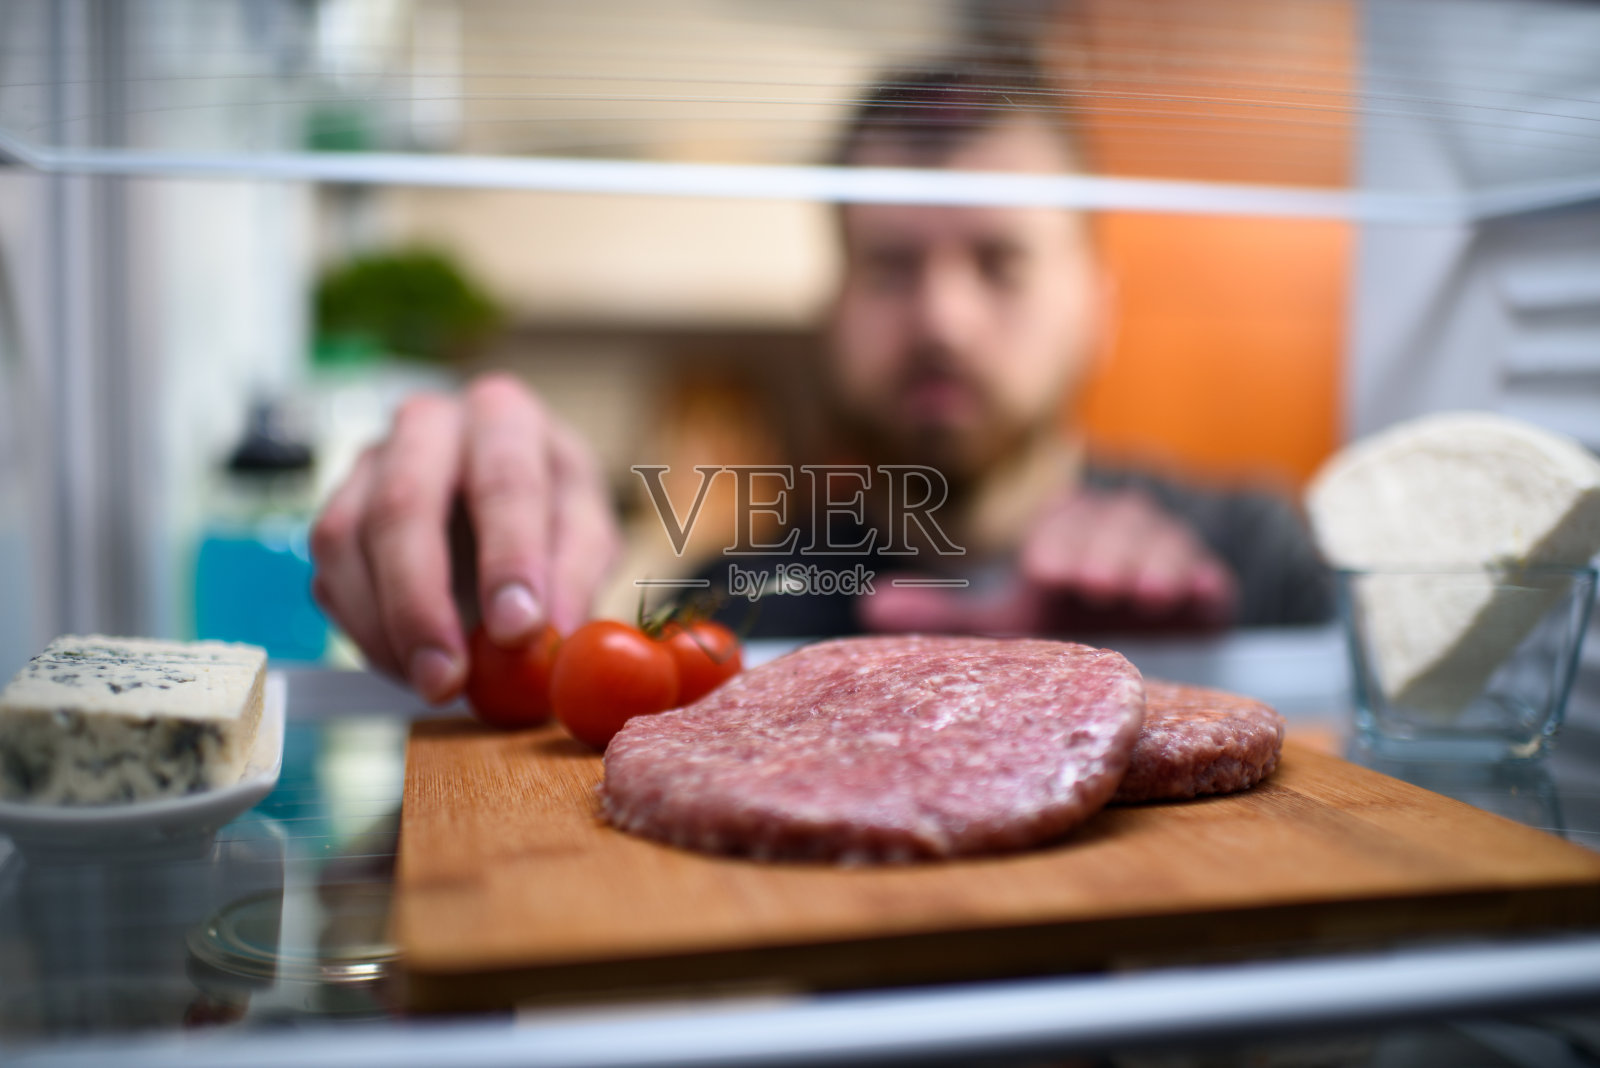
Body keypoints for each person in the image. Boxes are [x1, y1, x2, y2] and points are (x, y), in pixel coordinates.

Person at [309, 61, 1332, 705]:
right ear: (832, 309)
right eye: (890, 267)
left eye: (1000, 264)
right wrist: (489, 612)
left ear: (1096, 307)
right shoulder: (736, 603)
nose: (941, 319)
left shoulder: (1256, 557)